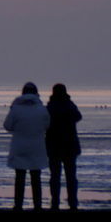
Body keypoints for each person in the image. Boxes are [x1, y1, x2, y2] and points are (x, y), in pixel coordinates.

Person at [2, 82, 49, 210]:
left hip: (20, 147)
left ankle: (18, 205)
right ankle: (37, 205)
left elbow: (7, 126)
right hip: (37, 147)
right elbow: (47, 126)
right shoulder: (41, 109)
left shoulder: (16, 108)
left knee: (20, 178)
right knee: (36, 178)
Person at [45, 82, 83, 210]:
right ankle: (72, 202)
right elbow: (78, 117)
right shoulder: (69, 105)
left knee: (55, 176)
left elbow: (44, 123)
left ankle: (55, 201)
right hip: (69, 145)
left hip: (54, 145)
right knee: (71, 176)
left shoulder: (50, 106)